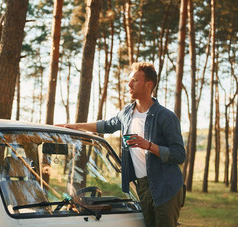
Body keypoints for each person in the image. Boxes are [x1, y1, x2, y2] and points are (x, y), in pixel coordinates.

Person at [56, 62, 185, 227]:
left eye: (134, 81)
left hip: (166, 186)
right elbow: (106, 125)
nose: (129, 84)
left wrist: (149, 146)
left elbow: (179, 155)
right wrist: (75, 126)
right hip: (142, 186)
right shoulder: (126, 113)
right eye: (129, 80)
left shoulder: (166, 117)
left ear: (149, 84)